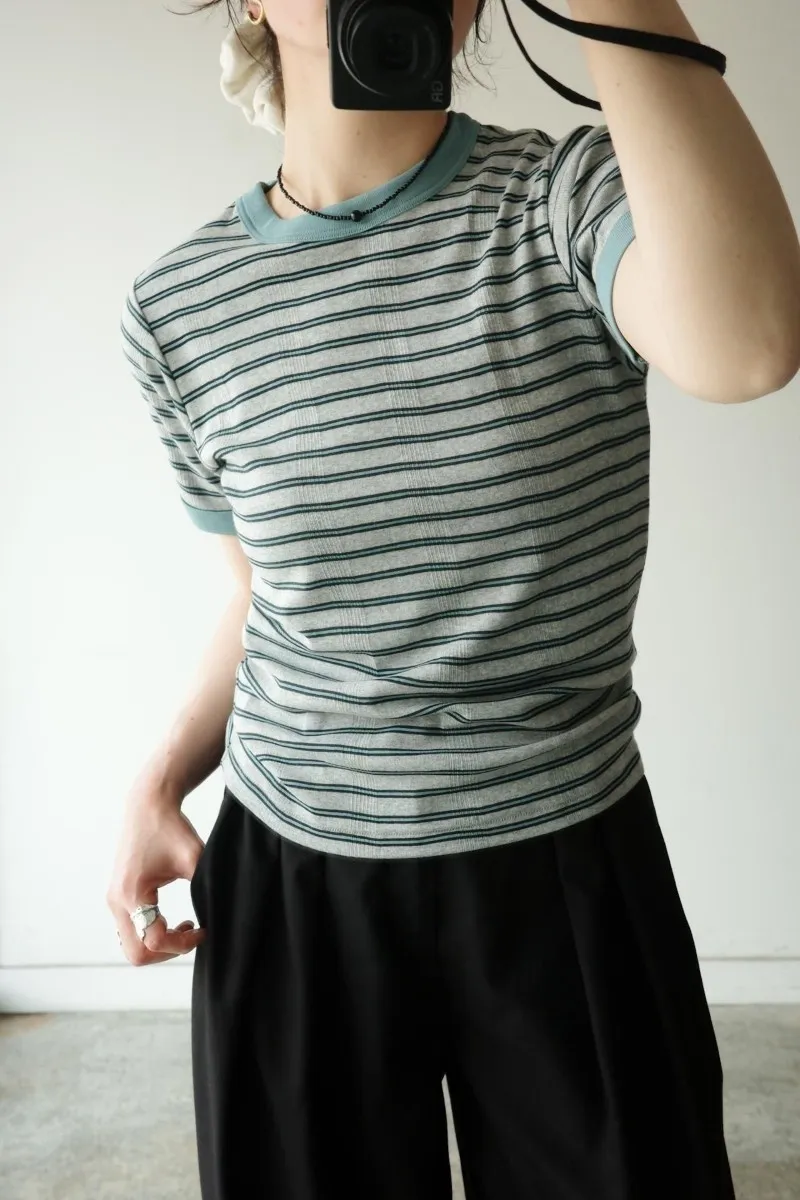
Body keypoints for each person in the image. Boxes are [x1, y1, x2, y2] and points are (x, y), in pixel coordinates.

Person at [107, 2, 748, 1197]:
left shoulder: (566, 201)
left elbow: (747, 343)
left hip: (562, 861)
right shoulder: (178, 305)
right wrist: (159, 781)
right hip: (295, 875)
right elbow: (259, 598)